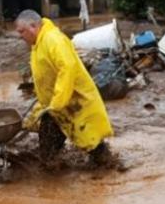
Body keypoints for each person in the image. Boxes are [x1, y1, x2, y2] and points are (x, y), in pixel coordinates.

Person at [15, 9, 114, 166]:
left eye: (22, 31)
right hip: (53, 106)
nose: (20, 36)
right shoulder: (38, 43)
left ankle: (110, 170)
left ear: (33, 26)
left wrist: (59, 100)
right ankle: (53, 171)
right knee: (48, 149)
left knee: (91, 141)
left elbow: (67, 68)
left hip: (74, 102)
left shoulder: (53, 40)